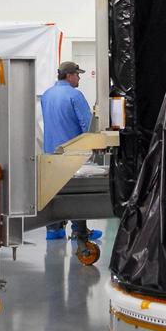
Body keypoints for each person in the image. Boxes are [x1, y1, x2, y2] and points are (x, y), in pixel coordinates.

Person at [41, 60, 102, 242]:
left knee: (53, 191)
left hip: (50, 151)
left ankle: (53, 229)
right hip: (72, 152)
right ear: (69, 75)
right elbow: (87, 126)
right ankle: (79, 231)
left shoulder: (47, 94)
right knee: (76, 192)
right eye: (77, 74)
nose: (79, 78)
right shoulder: (75, 95)